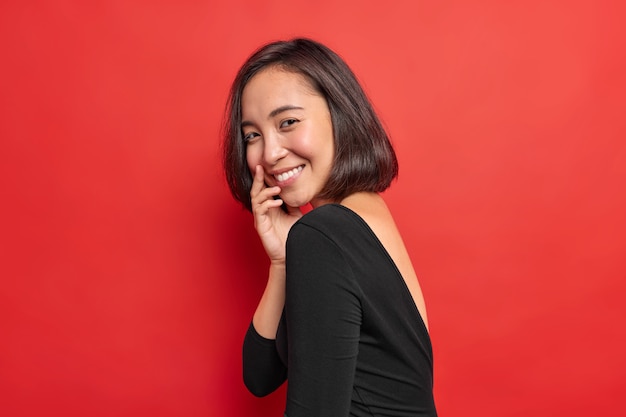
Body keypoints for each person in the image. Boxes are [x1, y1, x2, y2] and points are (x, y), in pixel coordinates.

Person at [222, 38, 437, 417]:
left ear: (340, 116)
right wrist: (281, 263)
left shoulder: (325, 233)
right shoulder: (363, 215)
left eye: (287, 122)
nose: (269, 153)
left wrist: (304, 242)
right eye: (252, 135)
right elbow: (259, 376)